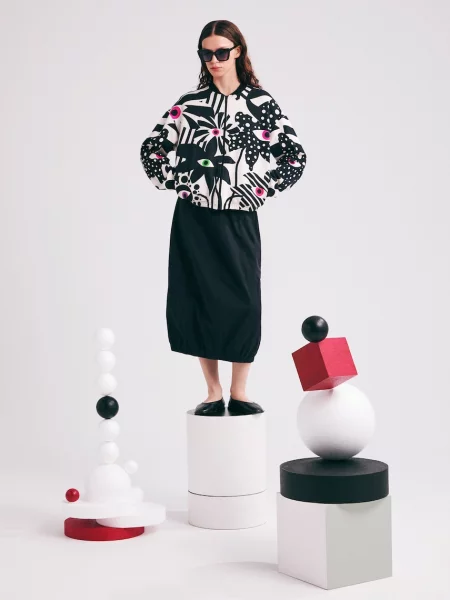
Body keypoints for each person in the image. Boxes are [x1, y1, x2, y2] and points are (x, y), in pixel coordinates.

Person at [140, 20, 306, 417]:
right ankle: (213, 392)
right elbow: (152, 149)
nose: (213, 60)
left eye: (221, 52)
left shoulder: (261, 104)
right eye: (206, 53)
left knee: (244, 301)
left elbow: (294, 157)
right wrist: (179, 181)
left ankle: (240, 390)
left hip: (239, 219)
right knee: (199, 298)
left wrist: (260, 188)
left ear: (238, 52)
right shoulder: (190, 104)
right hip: (194, 219)